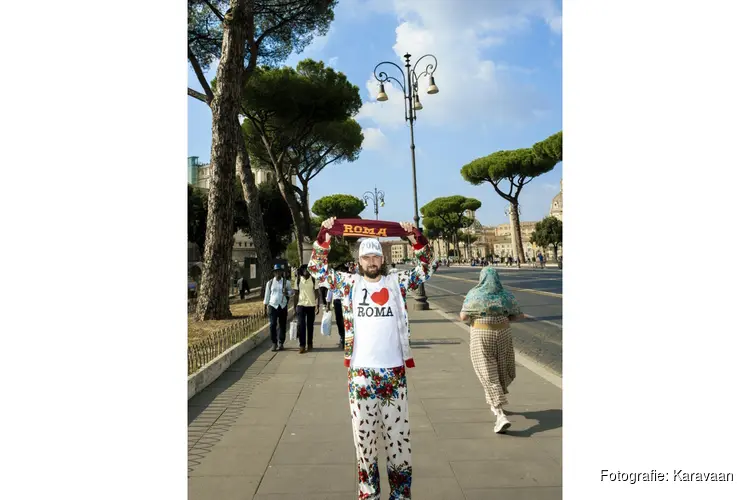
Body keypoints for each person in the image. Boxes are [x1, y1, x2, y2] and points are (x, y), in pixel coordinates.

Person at [308, 217, 436, 500]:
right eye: (366, 256)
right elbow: (317, 269)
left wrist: (416, 237)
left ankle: (401, 495)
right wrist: (324, 234)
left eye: (376, 255)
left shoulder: (396, 283)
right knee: (364, 443)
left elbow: (427, 269)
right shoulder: (349, 284)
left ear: (382, 258)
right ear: (359, 259)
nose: (371, 260)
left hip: (393, 374)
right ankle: (369, 495)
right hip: (361, 376)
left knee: (398, 443)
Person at [459, 267, 525, 434]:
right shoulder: (506, 295)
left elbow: (464, 317)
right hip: (503, 333)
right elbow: (519, 316)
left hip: (482, 333)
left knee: (487, 372)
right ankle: (496, 403)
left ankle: (500, 414)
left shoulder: (474, 294)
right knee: (501, 367)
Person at [264, 264, 295, 352]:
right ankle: (274, 343)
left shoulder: (286, 282)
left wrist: (287, 293)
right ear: (274, 273)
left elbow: (292, 292)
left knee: (282, 325)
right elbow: (267, 296)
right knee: (273, 324)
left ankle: (281, 342)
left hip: (282, 305)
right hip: (273, 305)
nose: (278, 273)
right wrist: (265, 307)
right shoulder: (269, 283)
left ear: (281, 272)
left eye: (279, 272)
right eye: (276, 272)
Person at [293, 264, 320, 354]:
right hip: (301, 305)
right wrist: (294, 307)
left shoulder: (313, 279)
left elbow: (317, 293)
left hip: (311, 305)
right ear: (301, 271)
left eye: (307, 269)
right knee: (301, 325)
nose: (306, 271)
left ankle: (310, 343)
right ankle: (302, 345)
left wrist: (317, 305)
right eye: (304, 269)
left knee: (310, 326)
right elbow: (296, 294)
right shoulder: (298, 280)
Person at [325, 269, 346, 349]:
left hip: (346, 302)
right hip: (337, 302)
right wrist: (327, 305)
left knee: (346, 320)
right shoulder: (333, 282)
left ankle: (347, 337)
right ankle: (342, 336)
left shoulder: (348, 281)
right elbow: (329, 292)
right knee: (339, 320)